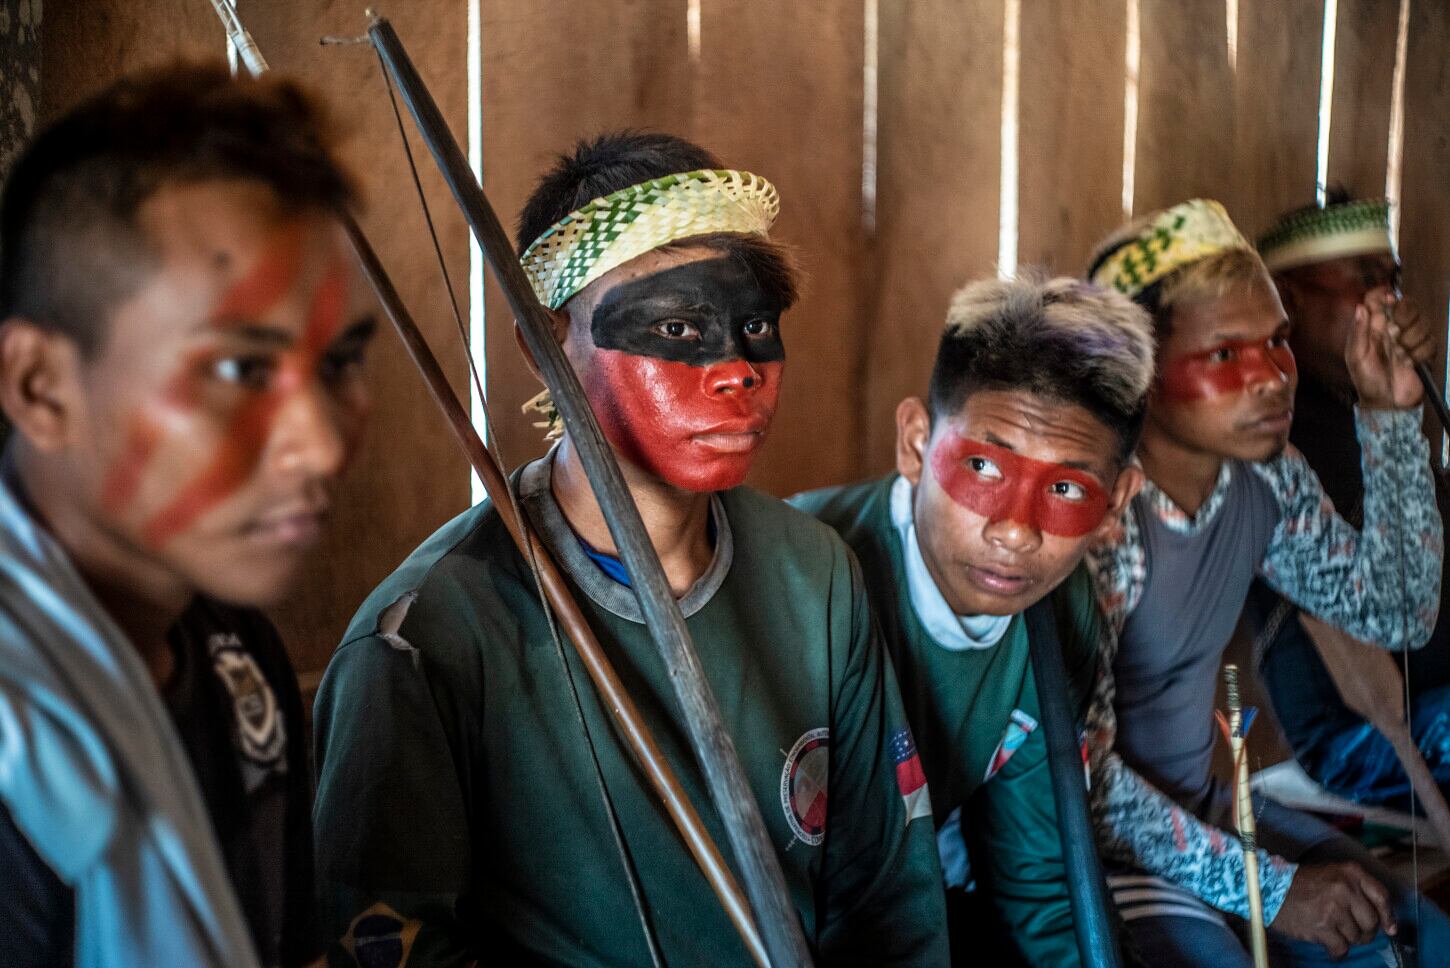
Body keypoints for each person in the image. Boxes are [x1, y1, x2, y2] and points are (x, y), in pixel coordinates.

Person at [312, 132, 949, 967]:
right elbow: (384, 943)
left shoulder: (816, 574)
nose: (735, 370)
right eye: (678, 326)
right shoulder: (426, 634)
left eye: (754, 324)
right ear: (545, 347)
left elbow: (889, 901)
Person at [0, 63, 377, 967]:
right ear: (41, 387)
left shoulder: (231, 646)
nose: (320, 445)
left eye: (341, 363)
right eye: (241, 371)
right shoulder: (19, 753)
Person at [1085, 199, 1447, 966]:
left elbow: (1396, 614)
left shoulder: (1266, 479)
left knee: (1419, 941)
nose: (1272, 376)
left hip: (1205, 816)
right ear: (1139, 369)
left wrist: (1387, 418)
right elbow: (1083, 785)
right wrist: (1274, 888)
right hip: (1087, 850)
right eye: (1224, 355)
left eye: (1277, 341)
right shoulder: (1100, 513)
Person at [791, 274, 1154, 966]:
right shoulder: (797, 574)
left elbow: (1042, 883)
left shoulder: (1058, 618)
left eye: (1068, 488)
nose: (1016, 532)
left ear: (1115, 505)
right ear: (915, 442)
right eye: (983, 466)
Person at [1245, 191, 1450, 811]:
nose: (1389, 300)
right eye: (1365, 281)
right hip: (1360, 732)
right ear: (1289, 299)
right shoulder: (1273, 437)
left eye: (1393, 278)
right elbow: (1394, 608)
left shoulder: (1371, 406)